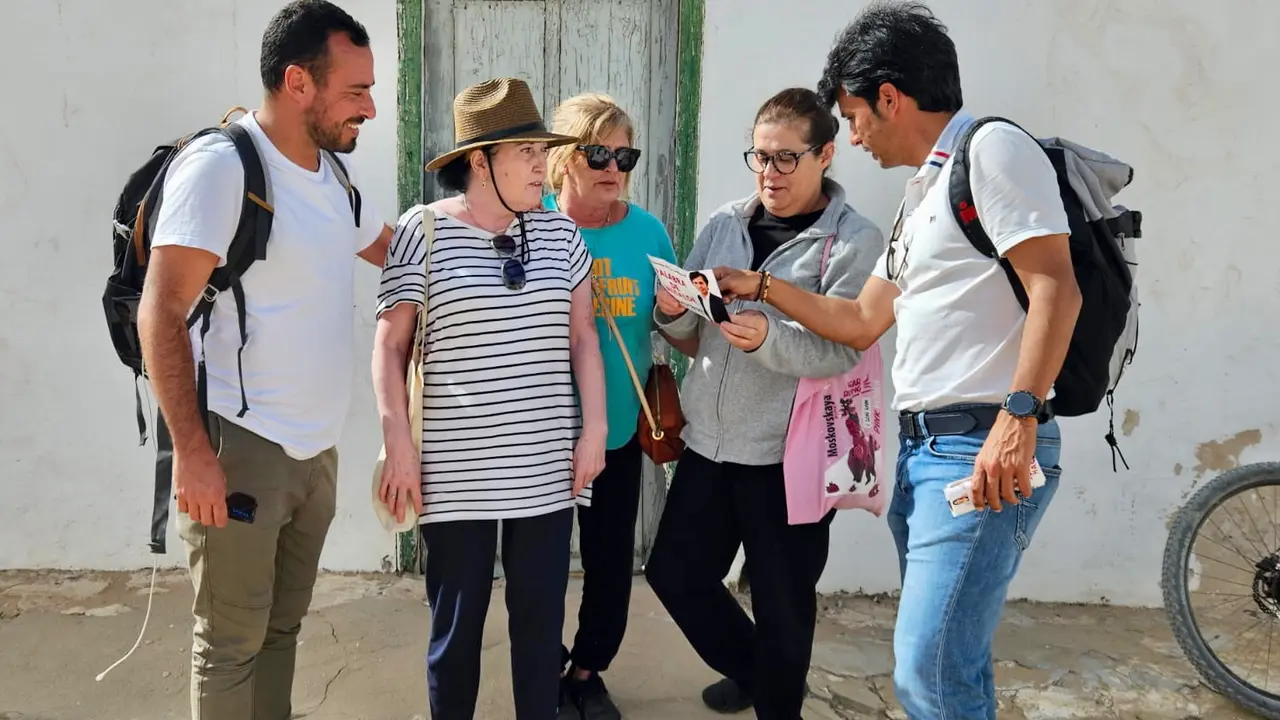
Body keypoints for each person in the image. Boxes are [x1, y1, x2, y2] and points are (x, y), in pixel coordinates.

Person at [715, 3, 1082, 718]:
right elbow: (859, 321)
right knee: (951, 665)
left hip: (982, 446)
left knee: (926, 671)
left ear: (891, 96)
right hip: (926, 456)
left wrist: (1021, 414)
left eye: (853, 117)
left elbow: (1055, 287)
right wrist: (761, 286)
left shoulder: (994, 152)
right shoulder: (924, 193)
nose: (851, 135)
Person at [135, 2, 391, 718]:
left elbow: (391, 247)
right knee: (229, 643)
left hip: (315, 453)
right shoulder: (223, 169)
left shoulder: (333, 176)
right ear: (298, 82)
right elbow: (160, 312)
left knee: (281, 630)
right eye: (356, 90)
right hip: (240, 449)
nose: (369, 108)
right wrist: (191, 451)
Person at [641, 87, 885, 720]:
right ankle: (758, 672)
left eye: (786, 159)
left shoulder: (853, 240)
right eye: (759, 156)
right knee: (675, 574)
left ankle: (778, 700)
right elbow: (694, 333)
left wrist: (771, 338)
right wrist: (671, 314)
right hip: (709, 443)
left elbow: (842, 351)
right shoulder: (725, 222)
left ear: (826, 154)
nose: (769, 173)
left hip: (790, 455)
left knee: (782, 604)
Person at [372, 77, 608, 720]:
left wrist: (594, 431)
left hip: (543, 469)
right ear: (481, 161)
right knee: (456, 635)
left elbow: (583, 338)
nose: (542, 165)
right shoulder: (422, 232)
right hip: (453, 472)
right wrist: (398, 445)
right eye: (526, 152)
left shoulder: (561, 238)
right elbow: (390, 348)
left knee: (538, 635)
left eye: (542, 151)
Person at [540, 92, 677, 720]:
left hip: (617, 432)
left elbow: (680, 331)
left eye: (625, 154)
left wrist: (682, 316)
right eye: (598, 152)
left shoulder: (647, 232)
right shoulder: (529, 219)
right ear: (566, 156)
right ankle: (541, 666)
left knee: (609, 564)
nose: (613, 166)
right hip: (534, 434)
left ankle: (587, 670)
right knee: (535, 565)